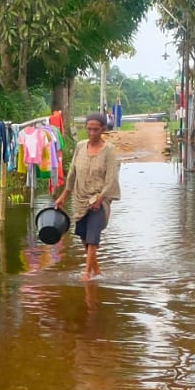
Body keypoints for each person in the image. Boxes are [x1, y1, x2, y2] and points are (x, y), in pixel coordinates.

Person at [55, 112, 122, 280]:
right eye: (89, 129)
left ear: (103, 130)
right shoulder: (80, 146)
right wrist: (64, 194)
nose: (92, 133)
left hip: (100, 199)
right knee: (84, 237)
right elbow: (72, 173)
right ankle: (97, 271)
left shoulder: (109, 150)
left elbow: (111, 177)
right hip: (80, 197)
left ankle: (86, 274)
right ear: (85, 128)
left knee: (93, 236)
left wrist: (100, 198)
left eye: (96, 130)